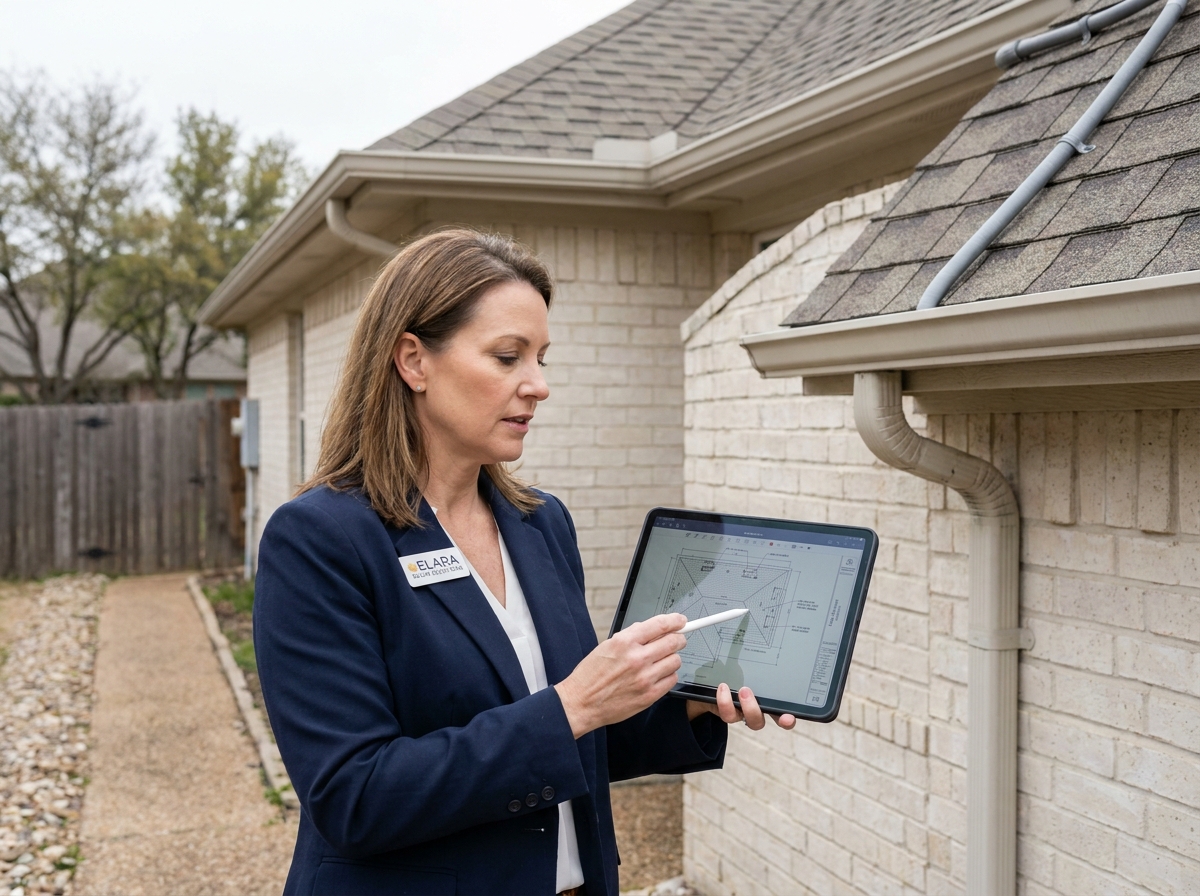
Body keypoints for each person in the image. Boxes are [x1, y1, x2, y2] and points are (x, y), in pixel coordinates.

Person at [254, 229, 796, 896]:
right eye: (508, 357)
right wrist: (569, 706)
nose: (537, 385)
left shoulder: (541, 524)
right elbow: (353, 796)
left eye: (542, 358)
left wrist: (688, 706)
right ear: (413, 361)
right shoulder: (321, 540)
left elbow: (580, 738)